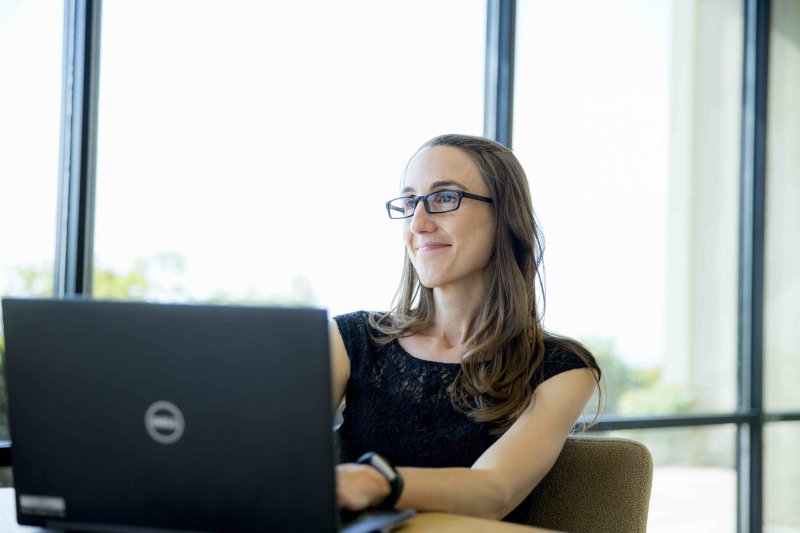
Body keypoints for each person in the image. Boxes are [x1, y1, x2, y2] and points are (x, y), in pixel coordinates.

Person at [330, 133, 601, 521]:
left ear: (506, 216)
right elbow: (271, 449)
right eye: (409, 202)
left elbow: (494, 490)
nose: (418, 223)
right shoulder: (349, 340)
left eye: (444, 198)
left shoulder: (561, 369)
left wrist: (375, 481)